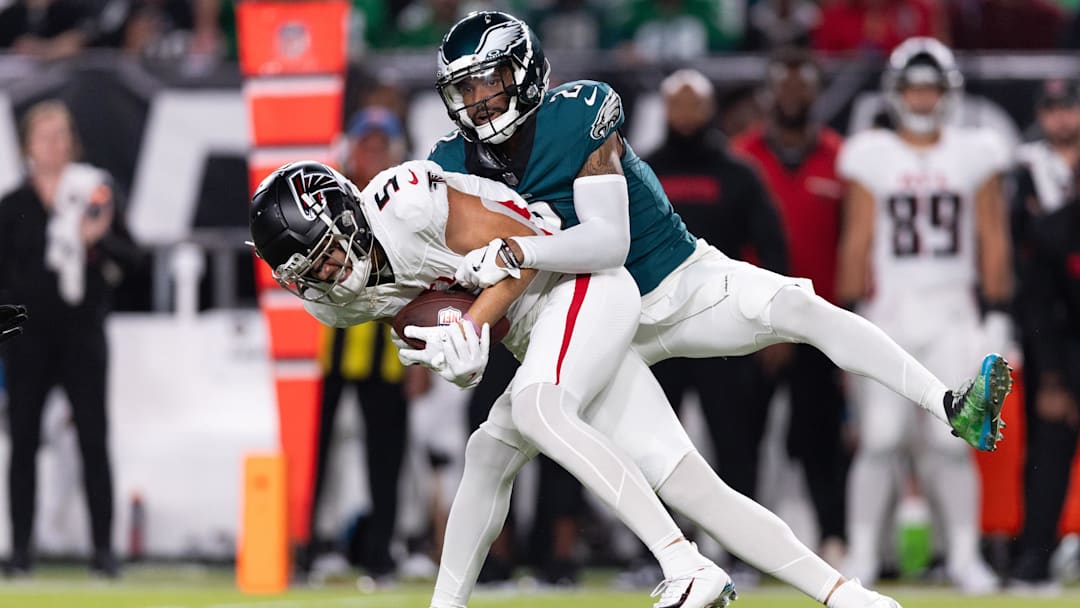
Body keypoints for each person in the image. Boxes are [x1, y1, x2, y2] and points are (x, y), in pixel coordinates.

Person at [428, 10, 1009, 608]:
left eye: (486, 81)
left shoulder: (578, 114)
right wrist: (455, 335)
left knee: (801, 307)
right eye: (463, 88)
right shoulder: (449, 164)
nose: (475, 100)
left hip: (676, 280)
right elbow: (441, 281)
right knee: (676, 482)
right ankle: (843, 595)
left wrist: (513, 249)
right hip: (587, 318)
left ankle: (948, 404)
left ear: (523, 74)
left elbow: (609, 241)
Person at [248, 159, 738, 608]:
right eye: (307, 273)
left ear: (347, 217)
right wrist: (448, 355)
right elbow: (424, 304)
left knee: (541, 414)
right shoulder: (330, 300)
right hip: (524, 320)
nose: (328, 275)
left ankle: (684, 562)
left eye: (324, 254)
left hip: (575, 281)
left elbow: (524, 246)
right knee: (485, 454)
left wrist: (471, 325)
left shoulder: (408, 207)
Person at [835, 37, 1012, 594]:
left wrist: (999, 313)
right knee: (880, 438)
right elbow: (856, 242)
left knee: (951, 441)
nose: (921, 95)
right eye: (913, 85)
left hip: (954, 310)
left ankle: (963, 555)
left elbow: (992, 238)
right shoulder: (871, 154)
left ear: (947, 92)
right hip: (888, 311)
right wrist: (840, 320)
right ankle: (863, 551)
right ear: (896, 91)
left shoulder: (975, 151)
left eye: (930, 85)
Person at [640, 67, 789, 587]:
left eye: (692, 104)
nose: (684, 115)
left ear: (708, 110)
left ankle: (742, 555)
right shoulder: (643, 170)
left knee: (735, 441)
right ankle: (659, 556)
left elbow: (770, 247)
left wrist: (775, 322)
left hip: (720, 325)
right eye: (675, 104)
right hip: (655, 327)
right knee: (651, 443)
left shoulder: (738, 172)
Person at [0, 100, 143, 577]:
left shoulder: (95, 193)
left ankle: (104, 549)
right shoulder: (13, 206)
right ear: (27, 146)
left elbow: (133, 257)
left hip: (83, 333)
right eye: (44, 136)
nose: (54, 145)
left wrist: (95, 239)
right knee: (22, 443)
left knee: (94, 439)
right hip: (28, 340)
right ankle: (20, 550)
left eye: (61, 134)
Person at [731, 46, 851, 565]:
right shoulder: (741, 156)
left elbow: (852, 244)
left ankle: (834, 541)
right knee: (741, 439)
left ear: (817, 94)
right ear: (768, 92)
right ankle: (738, 548)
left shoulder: (839, 158)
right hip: (747, 319)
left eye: (804, 86)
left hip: (820, 322)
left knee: (821, 439)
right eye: (785, 85)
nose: (794, 96)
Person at [1009, 82, 1080, 593]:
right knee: (1048, 452)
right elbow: (1039, 298)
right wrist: (1054, 373)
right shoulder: (1055, 229)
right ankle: (1034, 556)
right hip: (1063, 346)